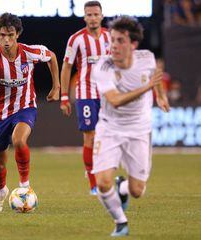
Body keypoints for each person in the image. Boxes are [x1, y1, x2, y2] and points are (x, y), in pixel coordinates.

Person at [0, 13, 60, 212]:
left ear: (17, 34)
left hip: (25, 107)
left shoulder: (29, 52)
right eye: (2, 35)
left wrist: (56, 86)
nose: (6, 40)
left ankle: (24, 185)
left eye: (10, 35)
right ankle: (2, 191)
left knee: (19, 140)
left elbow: (52, 56)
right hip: (0, 113)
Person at [91, 16, 170, 236]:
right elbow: (115, 100)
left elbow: (154, 76)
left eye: (120, 41)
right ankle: (120, 222)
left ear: (133, 45)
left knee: (137, 191)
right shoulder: (102, 67)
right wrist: (148, 89)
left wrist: (161, 95)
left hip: (139, 130)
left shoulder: (147, 58)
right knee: (103, 182)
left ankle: (123, 187)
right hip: (109, 128)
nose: (114, 46)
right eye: (112, 40)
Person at [60, 1, 110, 195]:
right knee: (89, 136)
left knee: (105, 138)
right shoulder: (76, 39)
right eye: (89, 15)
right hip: (85, 94)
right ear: (84, 17)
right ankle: (93, 183)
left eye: (95, 14)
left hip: (107, 94)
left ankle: (101, 172)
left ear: (101, 16)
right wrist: (64, 96)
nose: (92, 18)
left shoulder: (110, 37)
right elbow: (66, 67)